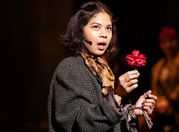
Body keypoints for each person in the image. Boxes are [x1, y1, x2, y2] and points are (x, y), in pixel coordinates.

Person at [47, 1, 157, 132]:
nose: (104, 34)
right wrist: (117, 96)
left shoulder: (103, 70)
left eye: (108, 28)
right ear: (81, 31)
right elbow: (79, 123)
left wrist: (132, 112)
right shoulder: (69, 67)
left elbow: (106, 124)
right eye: (96, 27)